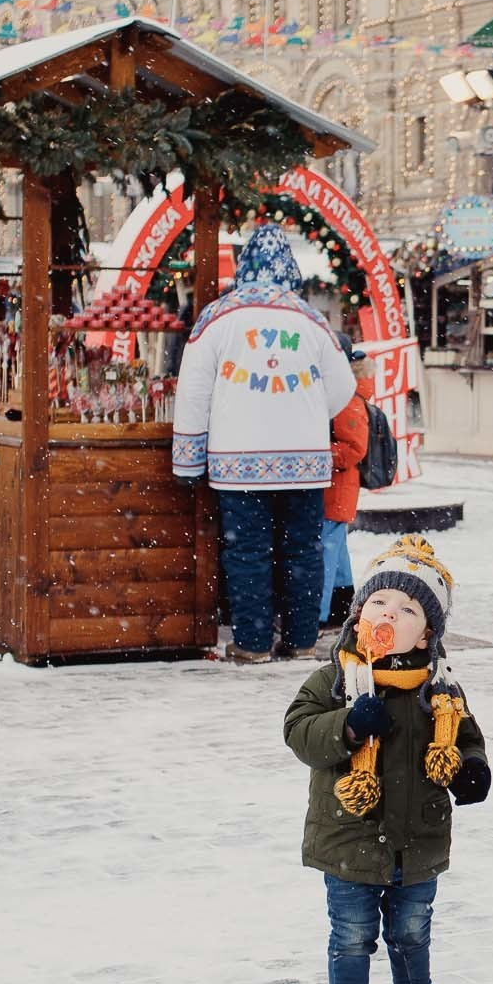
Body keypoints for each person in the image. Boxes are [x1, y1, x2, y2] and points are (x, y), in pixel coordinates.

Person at [282, 536, 490, 984]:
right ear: (358, 613)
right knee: (351, 937)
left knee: (413, 932)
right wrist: (347, 726)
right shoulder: (335, 680)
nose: (388, 614)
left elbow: (467, 737)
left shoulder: (440, 689)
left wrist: (472, 768)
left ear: (428, 632)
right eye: (378, 603)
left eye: (407, 608)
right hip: (349, 839)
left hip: (417, 840)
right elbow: (298, 731)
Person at [170, 225, 358, 664]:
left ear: (244, 268)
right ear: (289, 269)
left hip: (238, 462)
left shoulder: (217, 318)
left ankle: (253, 644)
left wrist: (188, 461)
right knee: (303, 549)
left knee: (247, 550)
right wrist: (305, 416)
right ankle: (301, 639)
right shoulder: (312, 320)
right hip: (305, 463)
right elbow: (343, 388)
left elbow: (194, 393)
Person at [320, 328, 373, 634]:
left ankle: (321, 611)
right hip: (336, 486)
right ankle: (343, 605)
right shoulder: (344, 392)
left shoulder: (346, 397)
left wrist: (318, 454)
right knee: (335, 548)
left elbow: (354, 448)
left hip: (337, 486)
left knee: (326, 550)